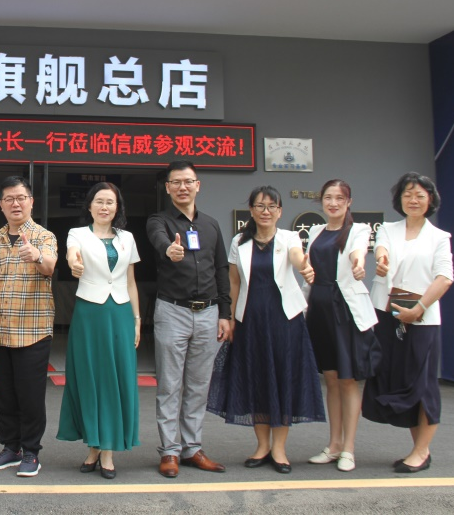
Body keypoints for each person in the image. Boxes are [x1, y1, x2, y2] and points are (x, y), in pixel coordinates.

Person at [206, 186, 324, 474]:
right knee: (257, 380)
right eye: (260, 206)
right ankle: (262, 447)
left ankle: (279, 449)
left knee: (283, 380)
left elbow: (296, 257)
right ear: (252, 210)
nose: (266, 211)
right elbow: (234, 282)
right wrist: (230, 318)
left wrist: (305, 266)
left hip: (285, 322)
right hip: (251, 322)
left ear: (280, 211)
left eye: (272, 206)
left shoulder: (289, 238)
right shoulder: (239, 241)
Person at [362, 173, 453, 473]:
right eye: (407, 194)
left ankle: (421, 451)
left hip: (422, 320)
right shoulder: (388, 229)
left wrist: (419, 309)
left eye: (420, 195)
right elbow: (382, 250)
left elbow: (444, 278)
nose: (413, 200)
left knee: (422, 384)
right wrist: (382, 262)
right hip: (388, 316)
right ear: (399, 199)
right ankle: (418, 449)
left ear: (430, 200)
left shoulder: (439, 238)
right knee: (400, 380)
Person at [145, 160, 231, 479]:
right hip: (173, 311)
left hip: (208, 313)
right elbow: (158, 239)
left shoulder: (211, 225)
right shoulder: (159, 221)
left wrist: (225, 313)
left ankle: (192, 448)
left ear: (198, 185)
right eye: (176, 182)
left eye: (188, 181)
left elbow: (221, 268)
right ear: (167, 188)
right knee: (170, 384)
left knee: (198, 384)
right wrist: (170, 250)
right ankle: (169, 450)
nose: (183, 187)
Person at [58, 182, 141, 480]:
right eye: (99, 201)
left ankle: (107, 450)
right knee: (90, 378)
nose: (105, 207)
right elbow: (72, 255)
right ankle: (93, 445)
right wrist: (73, 263)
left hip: (120, 313)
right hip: (89, 314)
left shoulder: (127, 238)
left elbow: (130, 281)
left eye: (110, 202)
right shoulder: (77, 234)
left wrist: (137, 319)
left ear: (117, 208)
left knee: (116, 378)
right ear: (90, 205)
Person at [0, 176, 58, 478]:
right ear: (1, 205)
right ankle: (10, 448)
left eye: (21, 198)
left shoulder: (44, 236)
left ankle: (31, 452)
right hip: (0, 331)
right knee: (3, 395)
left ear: (31, 202)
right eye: (9, 199)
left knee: (30, 397)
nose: (16, 203)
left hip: (33, 331)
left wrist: (36, 256)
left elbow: (50, 266)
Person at [305, 179, 381, 472]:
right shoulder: (315, 231)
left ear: (349, 202)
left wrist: (359, 264)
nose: (333, 203)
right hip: (319, 309)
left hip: (345, 309)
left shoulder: (358, 230)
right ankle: (334, 444)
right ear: (321, 201)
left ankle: (349, 448)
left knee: (348, 379)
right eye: (328, 197)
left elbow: (357, 253)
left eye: (339, 198)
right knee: (331, 378)